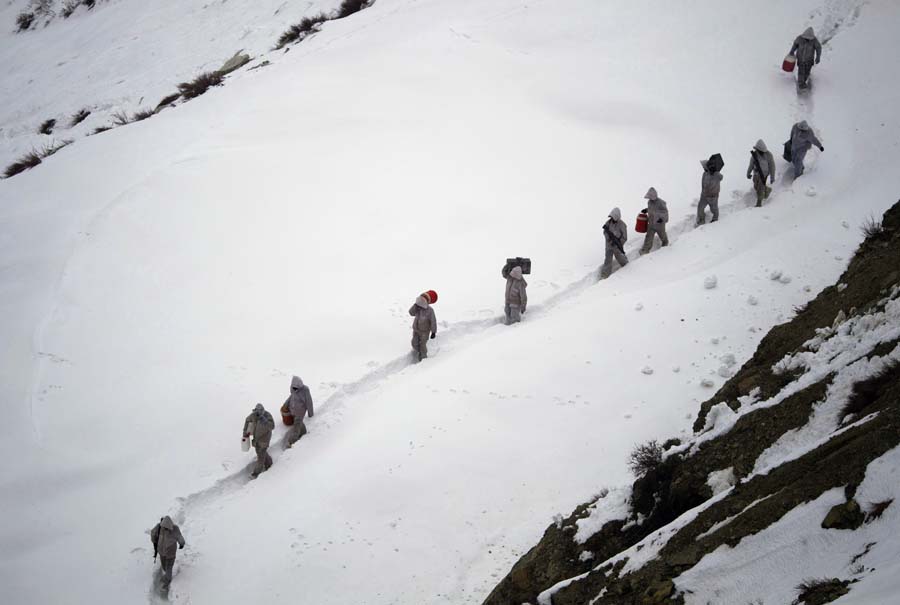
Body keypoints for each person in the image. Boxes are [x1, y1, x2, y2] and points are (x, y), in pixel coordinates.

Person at [150, 516, 185, 589]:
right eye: (165, 527)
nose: (166, 529)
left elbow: (180, 537)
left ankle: (167, 579)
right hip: (166, 553)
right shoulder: (163, 527)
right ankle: (167, 578)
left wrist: (181, 544)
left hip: (166, 553)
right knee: (166, 567)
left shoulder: (170, 528)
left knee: (167, 567)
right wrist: (182, 544)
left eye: (166, 528)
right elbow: (153, 533)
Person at [243, 403, 275, 477]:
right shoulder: (253, 415)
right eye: (257, 412)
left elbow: (272, 426)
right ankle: (269, 463)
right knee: (259, 452)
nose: (258, 414)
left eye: (260, 412)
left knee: (261, 456)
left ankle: (256, 473)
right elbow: (247, 420)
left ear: (263, 410)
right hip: (256, 439)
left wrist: (265, 420)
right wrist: (245, 432)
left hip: (265, 439)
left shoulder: (267, 415)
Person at [283, 376, 314, 448]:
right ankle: (303, 432)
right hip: (292, 410)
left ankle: (291, 442)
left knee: (296, 428)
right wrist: (285, 405)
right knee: (299, 423)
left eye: (296, 388)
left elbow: (309, 402)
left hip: (300, 411)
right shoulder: (292, 388)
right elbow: (291, 397)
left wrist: (310, 413)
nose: (295, 389)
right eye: (294, 388)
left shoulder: (305, 390)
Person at [746, 139, 776, 207]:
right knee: (756, 187)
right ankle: (767, 189)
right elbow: (751, 165)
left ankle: (759, 203)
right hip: (756, 173)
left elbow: (772, 167)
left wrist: (772, 177)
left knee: (760, 188)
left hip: (764, 175)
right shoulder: (754, 155)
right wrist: (748, 173)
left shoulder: (769, 155)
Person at [600, 207, 628, 279]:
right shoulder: (608, 223)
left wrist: (618, 243)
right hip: (609, 246)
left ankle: (627, 267)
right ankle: (605, 275)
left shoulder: (622, 225)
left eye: (613, 217)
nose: (612, 218)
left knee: (620, 257)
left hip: (617, 246)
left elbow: (624, 237)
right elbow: (605, 232)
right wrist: (608, 239)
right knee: (607, 260)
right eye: (611, 217)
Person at [640, 187, 669, 254]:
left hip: (659, 224)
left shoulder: (661, 203)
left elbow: (665, 212)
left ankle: (665, 243)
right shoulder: (649, 202)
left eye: (650, 197)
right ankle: (645, 250)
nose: (649, 199)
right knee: (648, 237)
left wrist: (661, 219)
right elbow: (652, 209)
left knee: (662, 235)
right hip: (651, 223)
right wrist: (646, 210)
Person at [409, 295, 437, 361]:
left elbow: (433, 321)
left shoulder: (430, 310)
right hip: (416, 330)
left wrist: (433, 332)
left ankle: (423, 360)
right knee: (414, 343)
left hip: (425, 332)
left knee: (422, 346)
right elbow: (411, 313)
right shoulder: (417, 308)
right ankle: (419, 353)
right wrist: (415, 305)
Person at [697, 158, 723, 225]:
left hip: (713, 196)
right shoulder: (704, 173)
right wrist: (702, 193)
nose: (703, 167)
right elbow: (702, 184)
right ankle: (701, 220)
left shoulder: (716, 174)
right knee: (700, 208)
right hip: (704, 195)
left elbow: (721, 177)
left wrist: (715, 172)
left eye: (703, 166)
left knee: (714, 209)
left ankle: (715, 219)